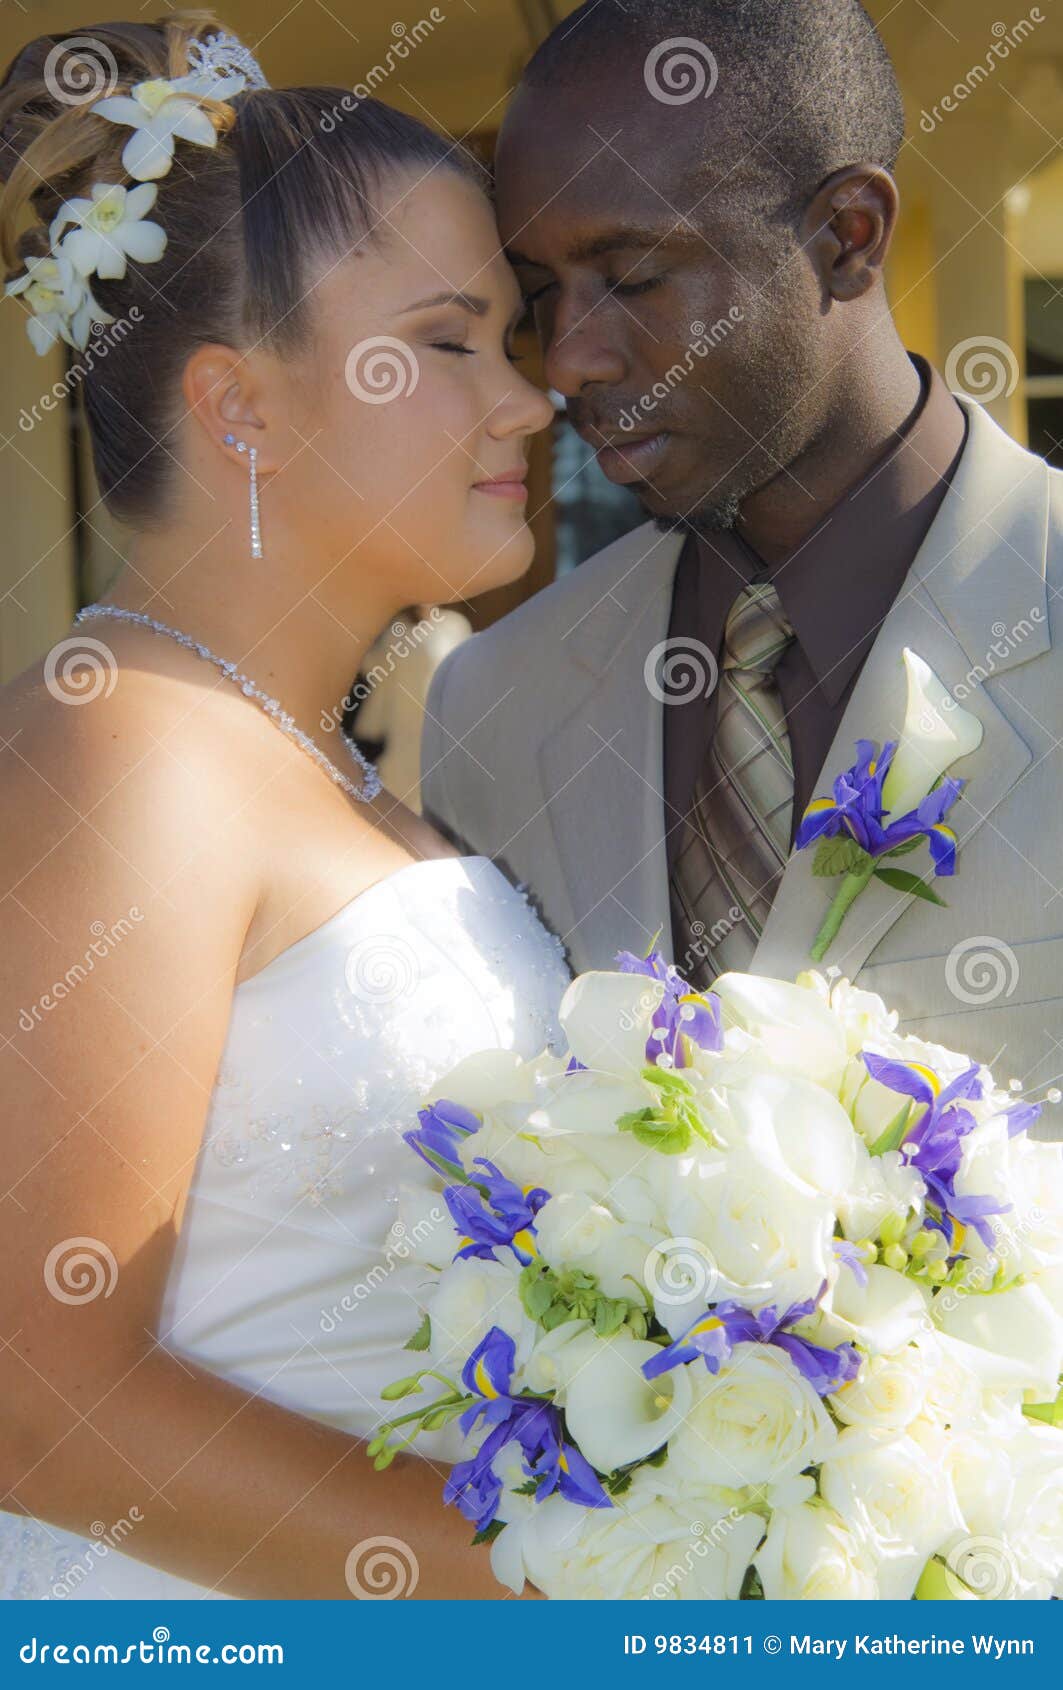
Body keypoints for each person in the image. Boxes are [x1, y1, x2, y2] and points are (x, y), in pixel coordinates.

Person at [0, 13, 561, 1598]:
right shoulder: (127, 757)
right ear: (237, 406)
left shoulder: (331, 771)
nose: (523, 403)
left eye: (508, 340)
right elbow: (39, 1401)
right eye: (450, 343)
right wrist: (580, 1579)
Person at [422, 0, 1063, 1100]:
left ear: (846, 237)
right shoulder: (491, 707)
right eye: (540, 295)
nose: (567, 359)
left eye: (630, 276)